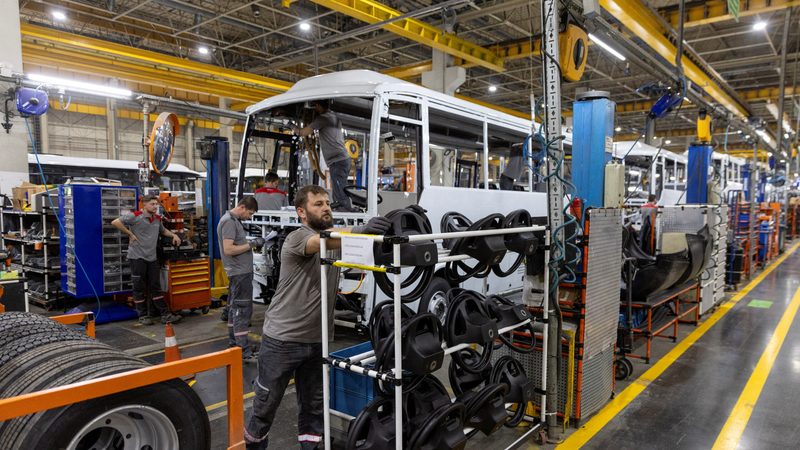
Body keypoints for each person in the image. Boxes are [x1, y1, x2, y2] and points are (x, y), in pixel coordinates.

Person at [244, 185, 391, 449]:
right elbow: (320, 242)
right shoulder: (298, 238)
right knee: (265, 406)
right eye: (318, 204)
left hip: (317, 340)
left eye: (327, 203)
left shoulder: (334, 240)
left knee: (314, 408)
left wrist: (396, 227)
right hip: (282, 341)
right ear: (302, 212)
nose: (326, 208)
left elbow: (366, 253)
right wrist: (361, 230)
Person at [112, 195, 183, 325]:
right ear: (144, 205)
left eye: (156, 204)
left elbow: (163, 230)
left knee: (156, 286)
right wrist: (130, 234)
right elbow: (115, 222)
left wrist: (173, 235)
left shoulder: (156, 218)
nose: (155, 206)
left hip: (152, 257)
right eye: (152, 204)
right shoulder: (136, 216)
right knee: (139, 287)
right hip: (137, 257)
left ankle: (164, 314)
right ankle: (143, 315)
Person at [218, 196, 263, 363]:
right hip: (239, 272)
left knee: (234, 309)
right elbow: (229, 249)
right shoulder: (229, 221)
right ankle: (243, 350)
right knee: (242, 310)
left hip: (239, 272)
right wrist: (251, 244)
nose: (249, 217)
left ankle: (234, 345)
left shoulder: (233, 220)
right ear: (242, 207)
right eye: (250, 213)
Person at [293, 100, 353, 212]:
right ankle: (344, 211)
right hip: (342, 159)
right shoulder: (334, 117)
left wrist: (292, 126)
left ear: (318, 106)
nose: (314, 109)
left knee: (339, 192)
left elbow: (303, 132)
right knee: (340, 189)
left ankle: (344, 214)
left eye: (315, 106)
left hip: (338, 160)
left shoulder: (322, 119)